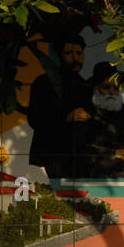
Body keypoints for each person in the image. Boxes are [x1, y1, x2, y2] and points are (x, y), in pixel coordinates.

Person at [27, 34, 91, 178]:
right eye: (69, 53)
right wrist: (66, 117)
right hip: (52, 155)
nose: (75, 58)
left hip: (78, 157)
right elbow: (35, 119)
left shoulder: (85, 85)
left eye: (79, 53)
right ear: (59, 55)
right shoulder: (43, 82)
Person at [81, 63, 124, 177]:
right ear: (96, 88)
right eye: (106, 87)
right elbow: (83, 152)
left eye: (115, 88)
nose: (111, 92)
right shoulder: (85, 115)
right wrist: (113, 154)